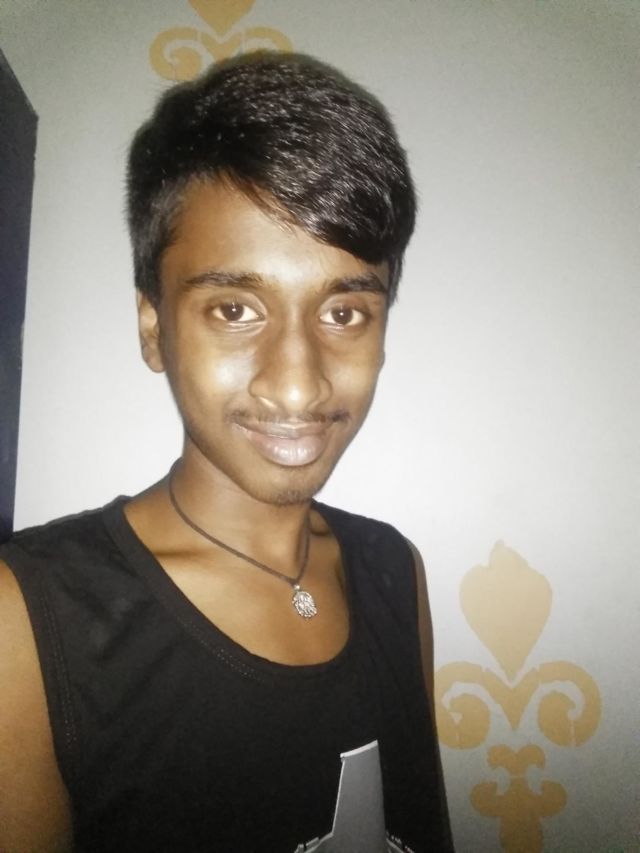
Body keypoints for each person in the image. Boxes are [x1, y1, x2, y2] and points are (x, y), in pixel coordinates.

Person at [0, 52, 453, 852]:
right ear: (154, 328)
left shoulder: (393, 568)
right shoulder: (28, 620)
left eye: (344, 312)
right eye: (236, 308)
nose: (297, 381)